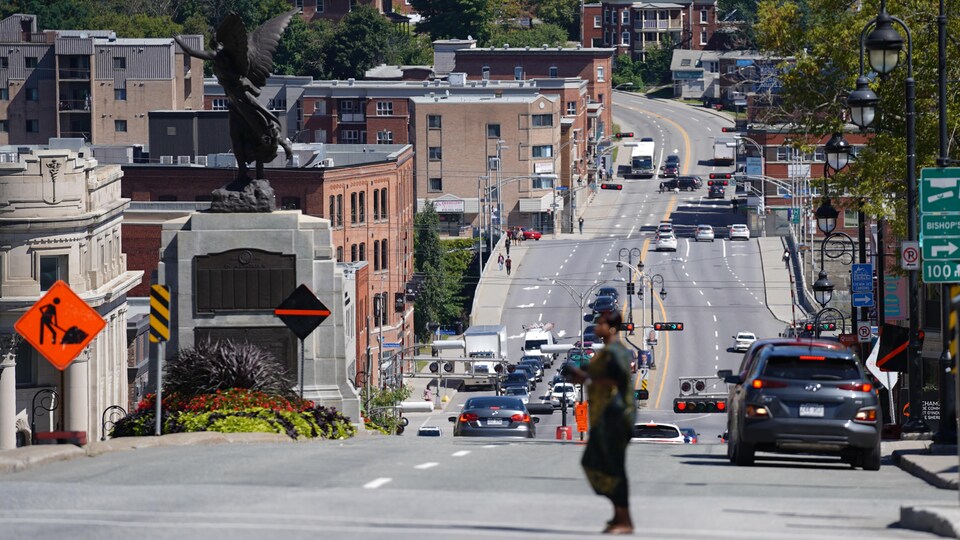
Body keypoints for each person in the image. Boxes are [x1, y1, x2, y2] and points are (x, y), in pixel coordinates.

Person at [564, 310, 635, 535]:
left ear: (612, 327)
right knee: (595, 463)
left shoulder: (616, 351)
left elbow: (618, 378)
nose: (597, 326)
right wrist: (581, 373)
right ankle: (618, 514)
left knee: (612, 467)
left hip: (615, 415)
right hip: (603, 416)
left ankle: (624, 519)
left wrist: (586, 378)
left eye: (601, 323)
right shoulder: (606, 351)